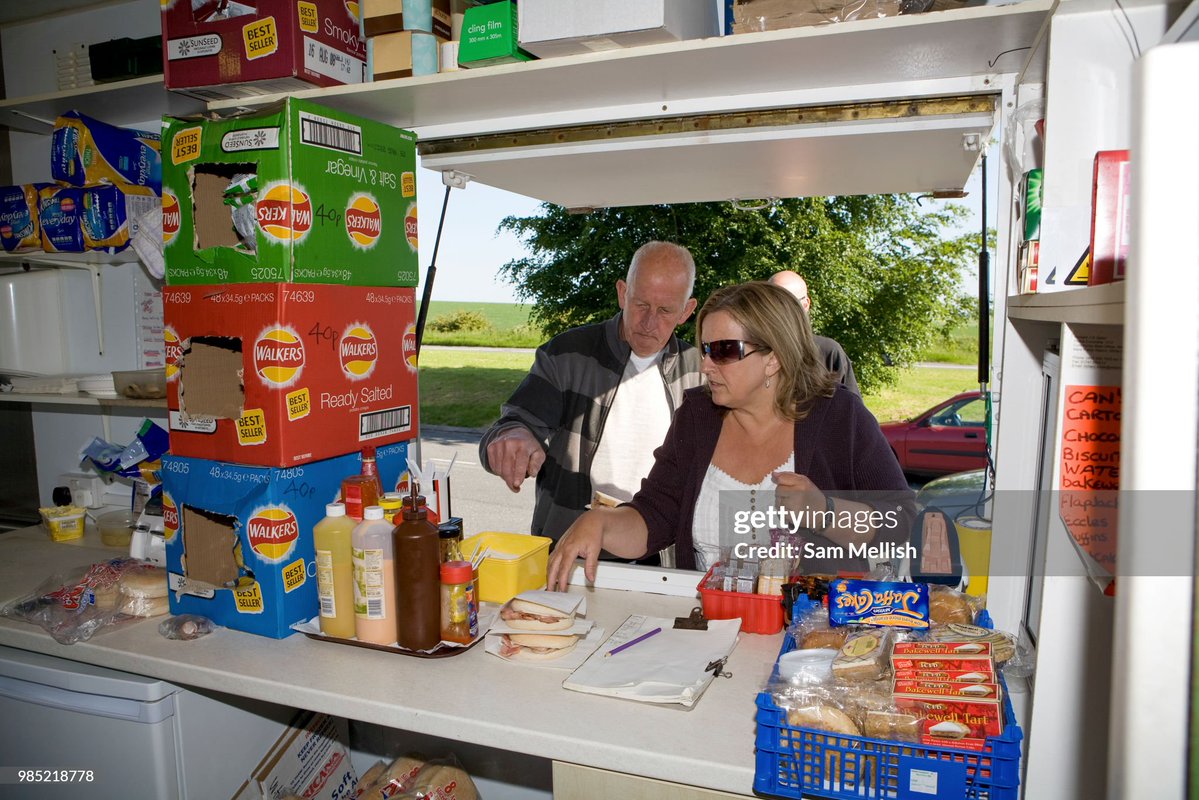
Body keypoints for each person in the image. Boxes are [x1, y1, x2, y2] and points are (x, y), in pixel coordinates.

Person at [547, 281, 913, 590]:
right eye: (705, 349)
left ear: (774, 358)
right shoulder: (697, 417)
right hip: (711, 632)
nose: (705, 364)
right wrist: (601, 523)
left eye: (723, 350)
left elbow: (902, 524)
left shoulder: (839, 418)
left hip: (812, 643)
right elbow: (656, 516)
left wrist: (824, 511)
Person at [479, 241, 703, 542]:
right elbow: (513, 424)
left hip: (661, 554)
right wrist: (512, 437)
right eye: (640, 304)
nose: (649, 323)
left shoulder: (699, 371)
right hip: (570, 546)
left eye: (665, 310)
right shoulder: (568, 355)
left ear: (687, 311)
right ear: (623, 293)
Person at [768, 270, 860, 396]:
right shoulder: (751, 351)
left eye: (789, 302)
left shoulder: (828, 352)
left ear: (805, 305)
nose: (780, 309)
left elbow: (851, 411)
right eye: (773, 301)